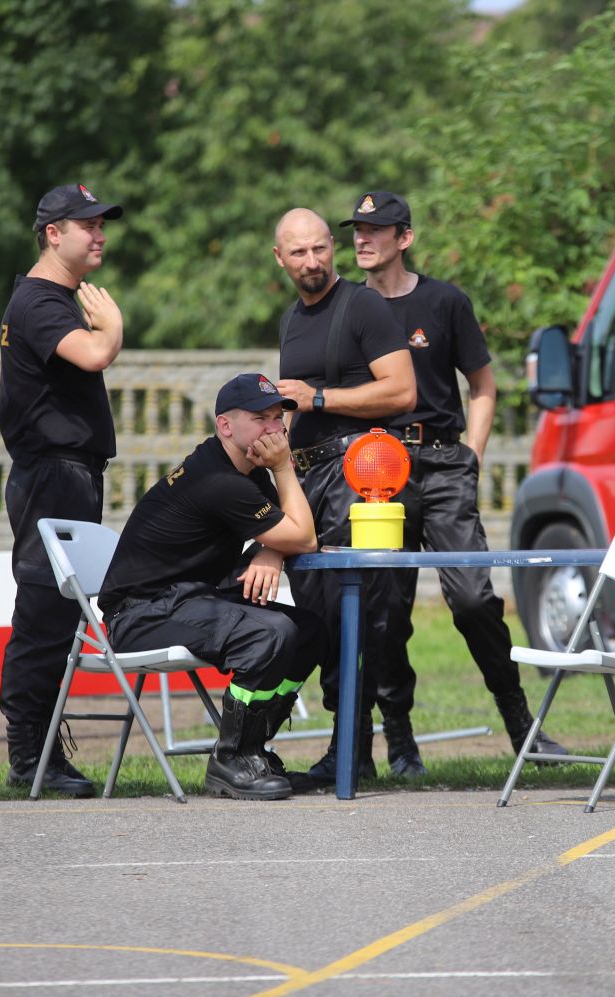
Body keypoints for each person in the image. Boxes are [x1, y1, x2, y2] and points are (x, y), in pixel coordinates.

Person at [342, 190, 567, 775]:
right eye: (357, 230)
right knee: (383, 611)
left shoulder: (445, 302)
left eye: (376, 229)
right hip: (377, 472)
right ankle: (399, 742)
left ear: (404, 238)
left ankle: (525, 729)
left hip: (443, 465)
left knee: (472, 598)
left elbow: (483, 385)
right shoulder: (345, 308)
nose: (363, 239)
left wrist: (472, 454)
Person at [98, 373, 324, 800]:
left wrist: (270, 550)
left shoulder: (244, 470)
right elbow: (305, 537)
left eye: (279, 418)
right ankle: (231, 758)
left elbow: (291, 531)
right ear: (225, 426)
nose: (275, 430)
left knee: (311, 630)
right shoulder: (219, 480)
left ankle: (254, 748)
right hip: (141, 613)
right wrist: (282, 468)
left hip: (189, 599)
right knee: (271, 633)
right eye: (261, 419)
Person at [270, 207, 417, 788]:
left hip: (353, 478)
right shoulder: (290, 319)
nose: (312, 261)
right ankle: (349, 748)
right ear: (279, 259)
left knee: (353, 616)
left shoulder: (364, 306)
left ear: (332, 247)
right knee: (319, 619)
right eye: (298, 253)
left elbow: (403, 390)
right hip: (303, 479)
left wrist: (320, 399)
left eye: (319, 249)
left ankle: (353, 749)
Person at [0, 183, 125, 797]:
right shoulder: (42, 300)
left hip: (67, 475)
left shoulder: (54, 297)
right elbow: (95, 354)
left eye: (103, 224)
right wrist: (115, 327)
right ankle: (30, 756)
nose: (99, 234)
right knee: (43, 611)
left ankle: (43, 747)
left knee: (59, 613)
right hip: (51, 477)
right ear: (54, 233)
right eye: (88, 225)